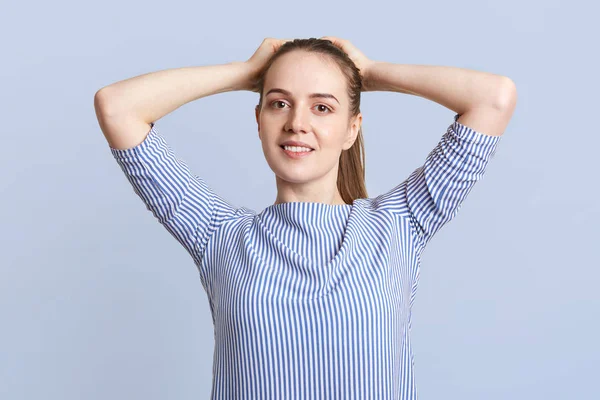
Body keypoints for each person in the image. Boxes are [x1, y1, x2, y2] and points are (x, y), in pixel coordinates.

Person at [94, 37, 516, 399]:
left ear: (352, 128)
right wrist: (244, 73)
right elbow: (117, 107)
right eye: (279, 103)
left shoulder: (400, 225)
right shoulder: (218, 235)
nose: (297, 123)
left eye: (322, 108)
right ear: (259, 121)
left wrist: (369, 73)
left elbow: (493, 98)